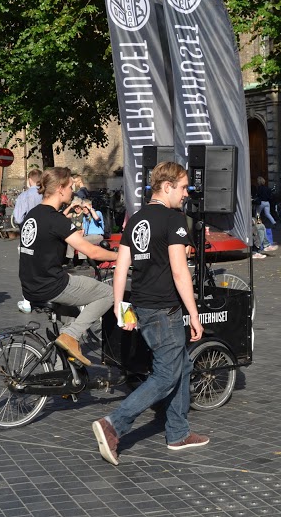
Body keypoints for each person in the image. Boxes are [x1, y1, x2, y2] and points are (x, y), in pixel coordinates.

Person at [92, 161, 209, 466]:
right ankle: (114, 424)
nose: (186, 193)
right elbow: (180, 271)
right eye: (183, 187)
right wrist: (194, 314)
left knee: (181, 364)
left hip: (142, 305)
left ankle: (178, 432)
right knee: (165, 374)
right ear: (167, 186)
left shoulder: (136, 219)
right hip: (163, 309)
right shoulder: (174, 220)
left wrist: (121, 307)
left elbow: (121, 266)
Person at [19, 167, 117, 366]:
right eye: (70, 187)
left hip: (31, 286)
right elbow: (93, 252)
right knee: (109, 293)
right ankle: (71, 336)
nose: (72, 192)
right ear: (60, 189)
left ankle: (63, 374)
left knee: (73, 316)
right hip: (52, 285)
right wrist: (121, 256)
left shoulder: (32, 215)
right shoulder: (56, 220)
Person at [13, 169, 43, 313]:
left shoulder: (24, 196)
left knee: (27, 269)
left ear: (30, 179)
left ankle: (27, 302)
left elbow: (18, 218)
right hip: (47, 237)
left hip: (29, 237)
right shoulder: (47, 194)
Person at [63, 197, 86, 269]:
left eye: (78, 207)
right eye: (75, 207)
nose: (76, 208)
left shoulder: (83, 214)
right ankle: (70, 261)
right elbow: (63, 215)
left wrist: (80, 233)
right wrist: (70, 206)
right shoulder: (72, 214)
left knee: (78, 240)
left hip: (81, 233)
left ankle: (84, 261)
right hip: (74, 234)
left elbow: (84, 227)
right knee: (70, 241)